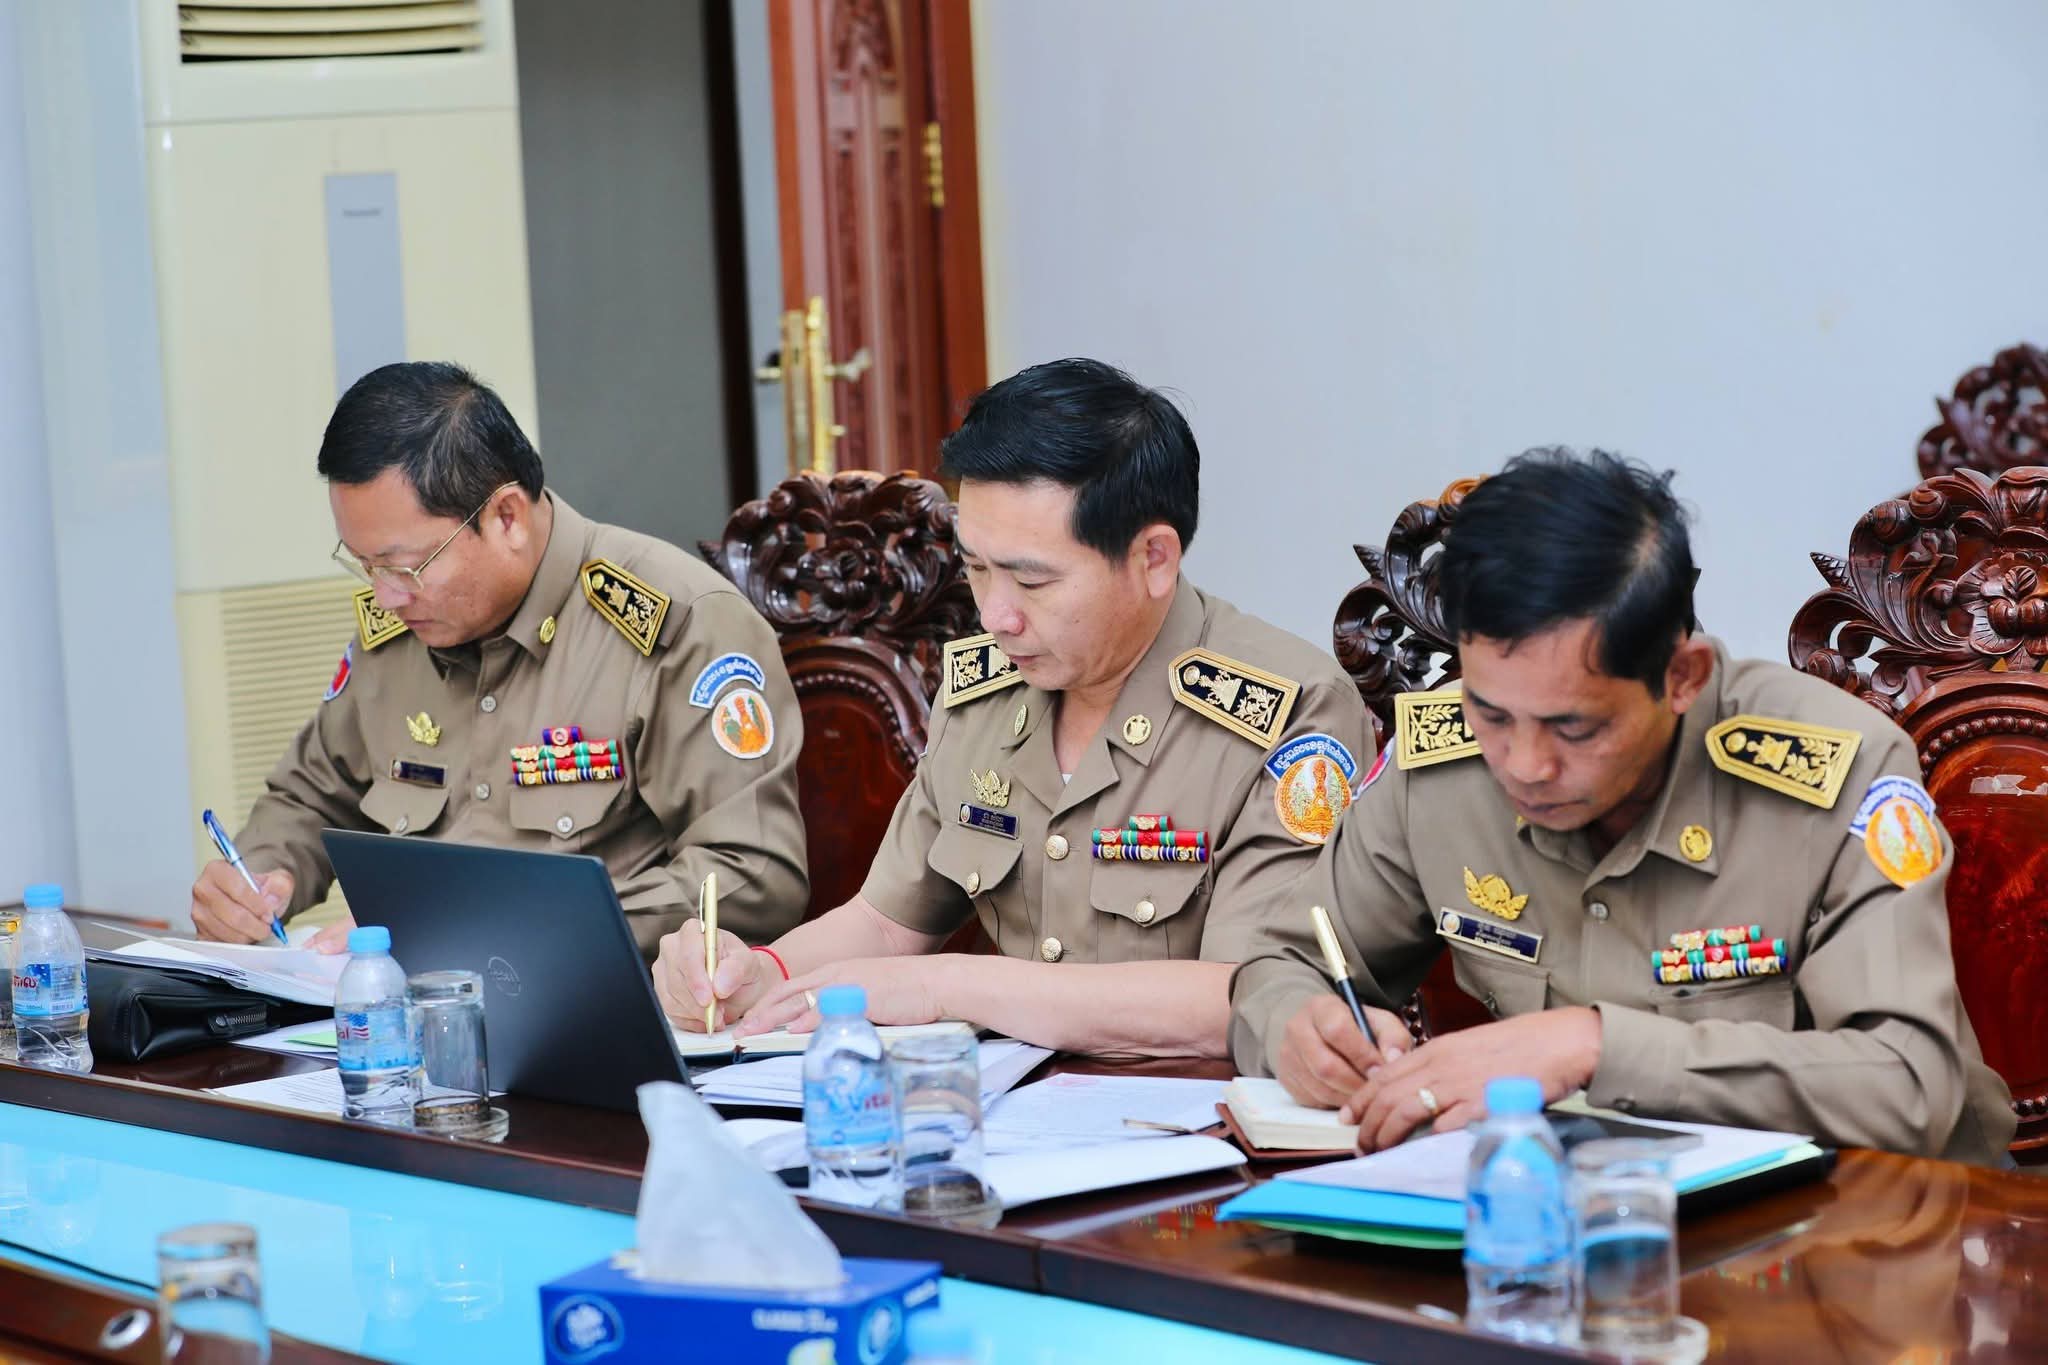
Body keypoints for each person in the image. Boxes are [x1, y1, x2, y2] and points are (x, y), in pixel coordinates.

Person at [1230, 448, 2014, 1165]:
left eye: (1575, 727)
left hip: (1876, 1229)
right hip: (1582, 1214)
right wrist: (1296, 1026)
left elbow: (1908, 1083)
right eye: (1490, 713)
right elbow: (1282, 962)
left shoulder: (1836, 770)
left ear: (1683, 677)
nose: (1524, 764)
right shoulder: (1437, 765)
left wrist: (1595, 1047)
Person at [654, 358, 1372, 1056]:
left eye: (1032, 582)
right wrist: (761, 974)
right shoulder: (987, 691)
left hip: (1194, 1110)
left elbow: (1247, 998)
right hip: (1008, 1110)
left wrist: (947, 986)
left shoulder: (1292, 714)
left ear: (1154, 558)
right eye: (975, 567)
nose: (996, 616)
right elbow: (885, 923)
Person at [189, 361, 809, 955]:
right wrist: (260, 876)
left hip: (594, 1004)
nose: (385, 596)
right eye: (365, 565)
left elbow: (754, 875)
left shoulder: (680, 623)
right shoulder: (401, 633)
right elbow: (309, 797)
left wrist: (499, 924)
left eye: (405, 567)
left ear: (507, 517)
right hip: (413, 1007)